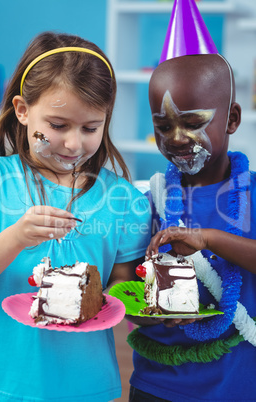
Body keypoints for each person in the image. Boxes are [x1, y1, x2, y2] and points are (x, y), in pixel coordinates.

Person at [0, 31, 151, 402]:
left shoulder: (123, 199)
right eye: (58, 126)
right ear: (22, 110)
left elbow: (123, 289)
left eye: (91, 128)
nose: (75, 144)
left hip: (88, 384)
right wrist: (15, 237)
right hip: (2, 381)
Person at [127, 4, 256, 399]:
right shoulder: (153, 199)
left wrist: (209, 238)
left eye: (193, 121)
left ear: (231, 119)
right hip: (158, 382)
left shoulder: (251, 193)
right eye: (163, 126)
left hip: (235, 381)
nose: (177, 138)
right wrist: (145, 314)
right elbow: (128, 287)